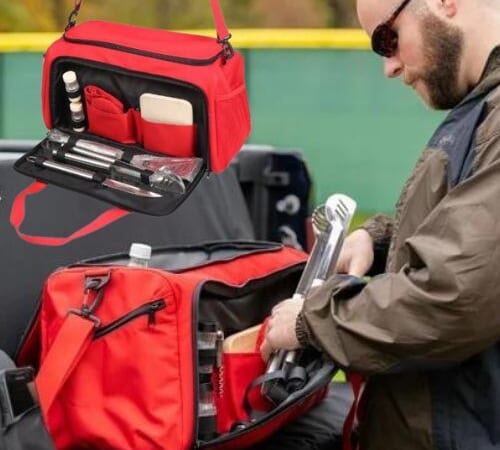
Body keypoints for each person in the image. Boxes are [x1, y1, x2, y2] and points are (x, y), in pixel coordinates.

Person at [261, 0, 500, 448]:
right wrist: (379, 239)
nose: (388, 67)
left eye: (386, 39)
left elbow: (456, 298)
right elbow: (462, 229)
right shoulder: (482, 106)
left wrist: (312, 322)